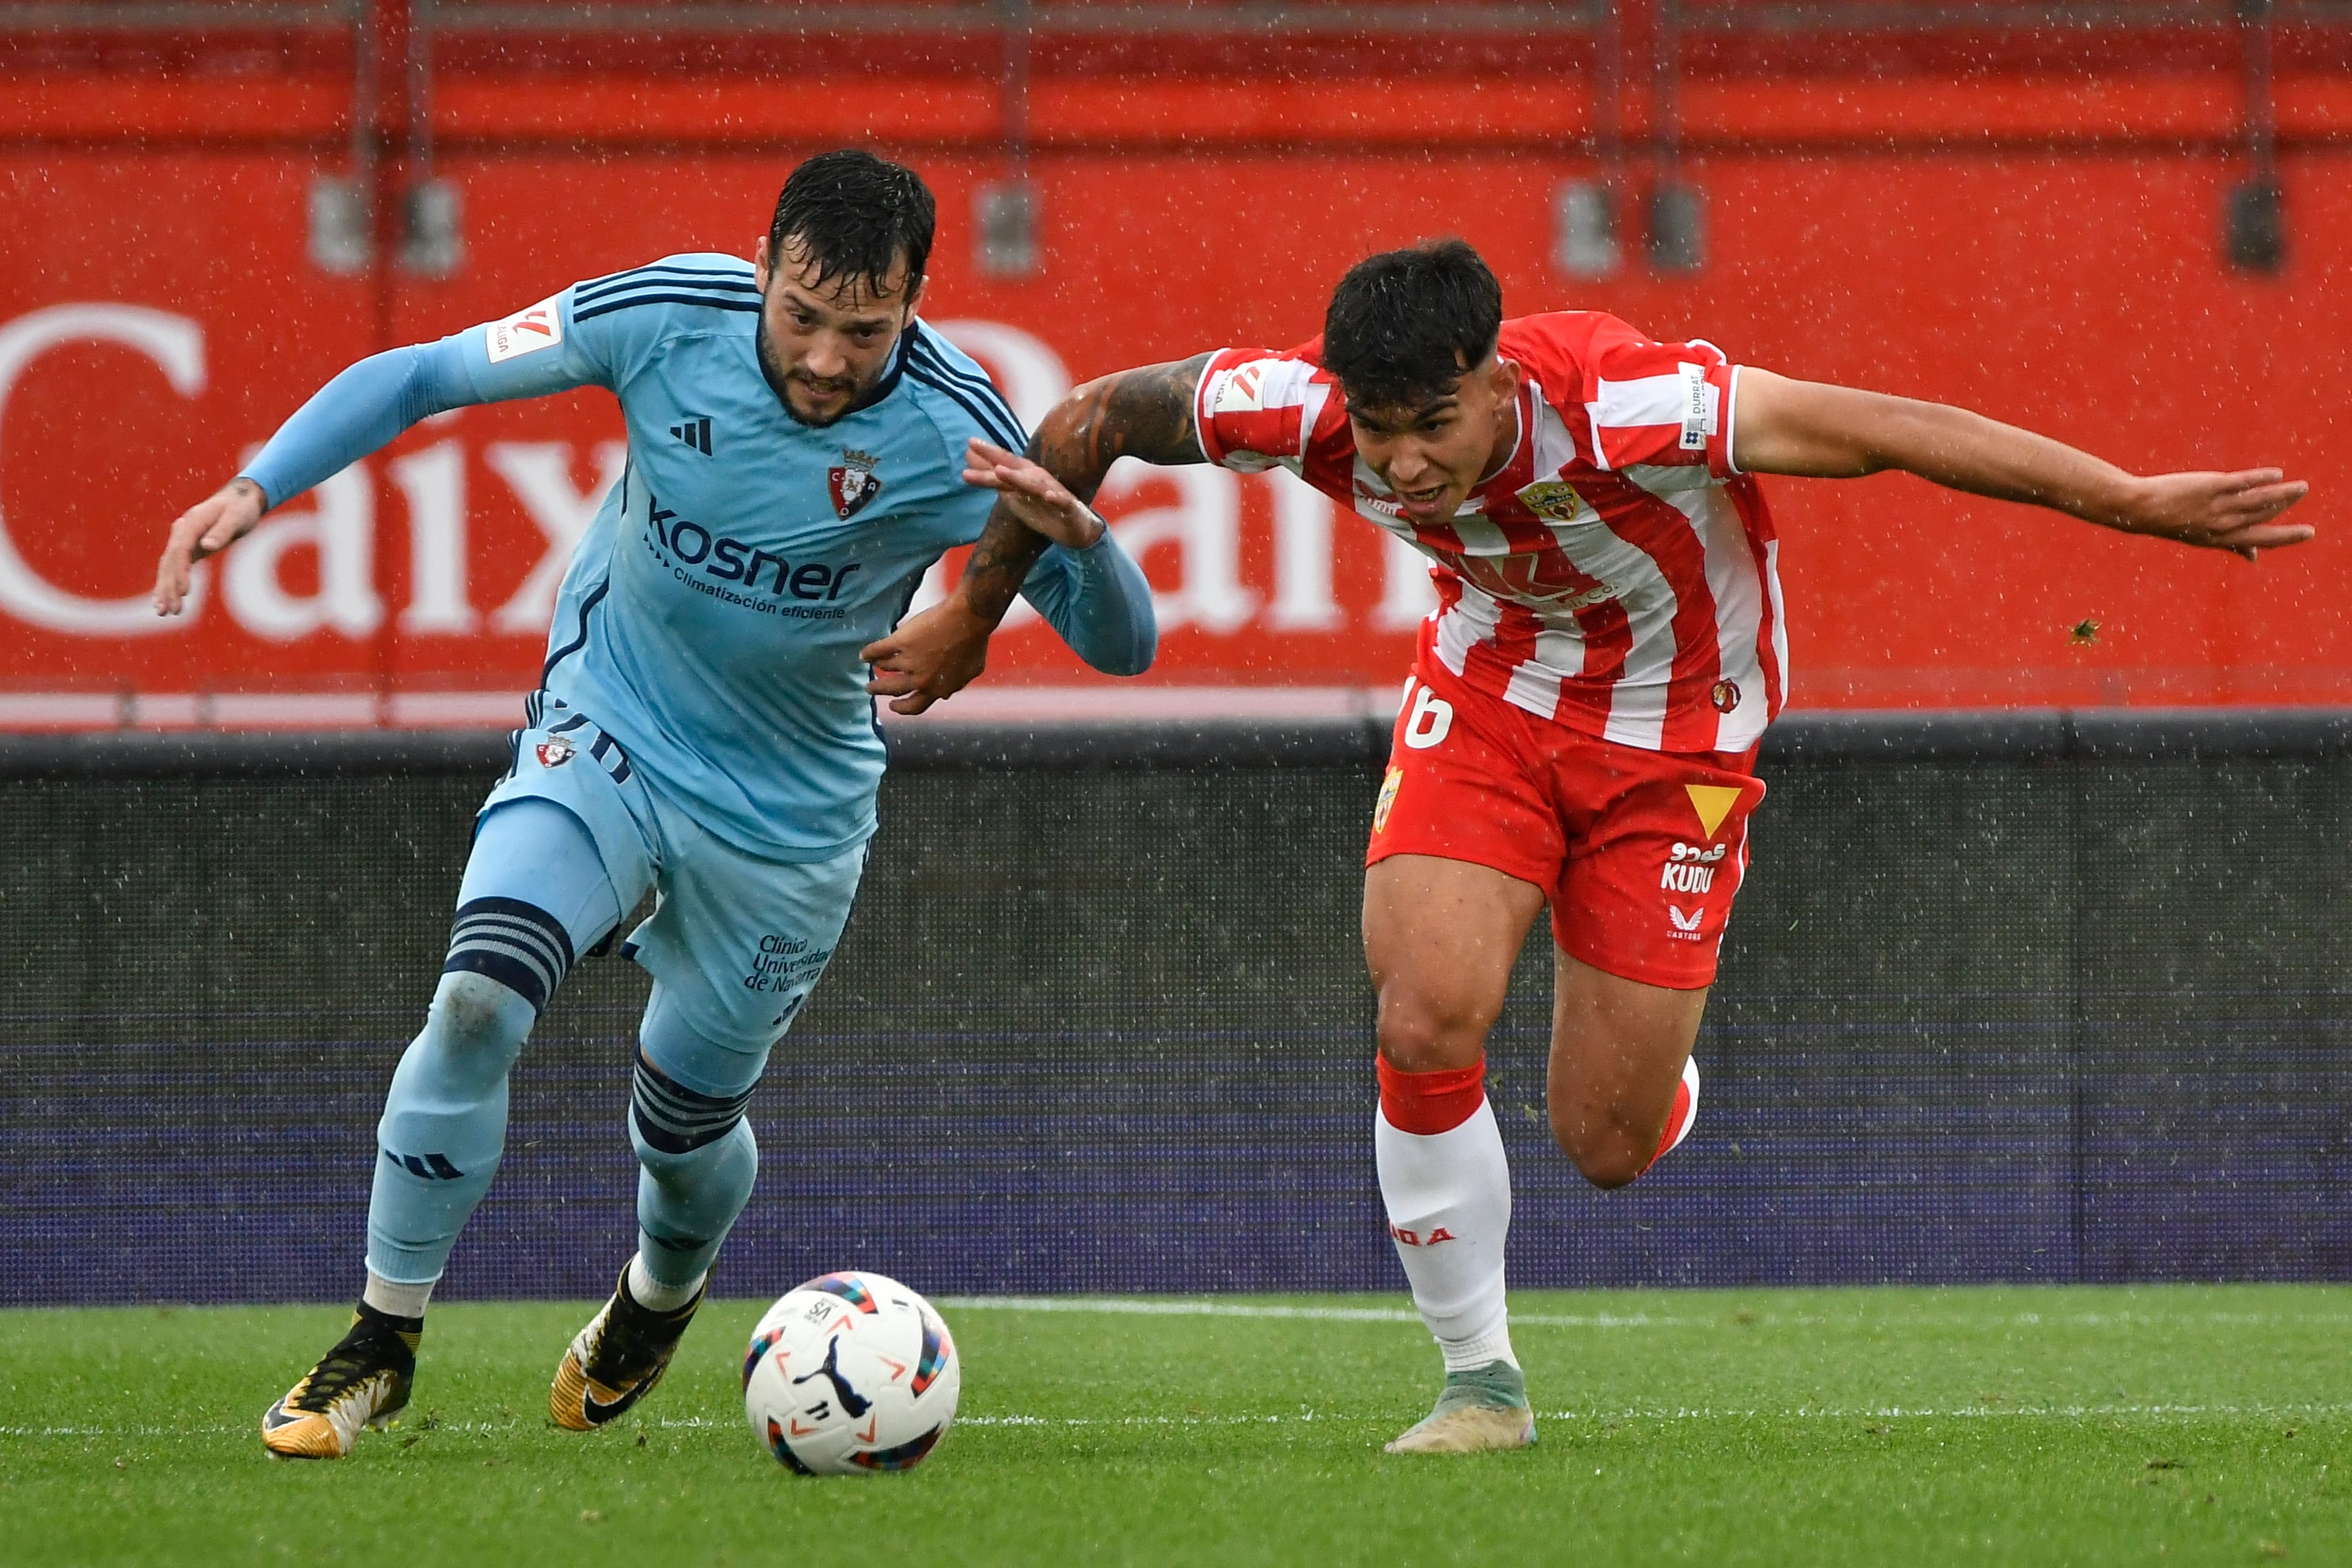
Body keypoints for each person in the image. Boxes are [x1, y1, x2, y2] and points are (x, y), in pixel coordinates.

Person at [862, 237, 2313, 1454]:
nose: (1406, 466)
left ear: (1495, 380)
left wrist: (2126, 499)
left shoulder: (1633, 401)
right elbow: (1091, 420)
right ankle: (1481, 1384)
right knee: (1425, 1006)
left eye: (1437, 425)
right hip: (1488, 695)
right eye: (1380, 435)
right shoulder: (1294, 408)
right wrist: (971, 614)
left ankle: (1649, 1066)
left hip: (1678, 736)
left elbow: (1885, 430)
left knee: (1603, 1144)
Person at [149, 149, 1155, 1459]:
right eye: (801, 317)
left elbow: (1125, 646)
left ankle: (658, 1296)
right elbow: (422, 375)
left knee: (680, 1130)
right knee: (476, 995)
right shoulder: (662, 316)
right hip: (610, 729)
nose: (829, 359)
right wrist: (258, 484)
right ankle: (379, 1340)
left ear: (915, 301)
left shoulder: (956, 432)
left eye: (866, 330)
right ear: (761, 274)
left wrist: (1077, 541)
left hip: (790, 823)